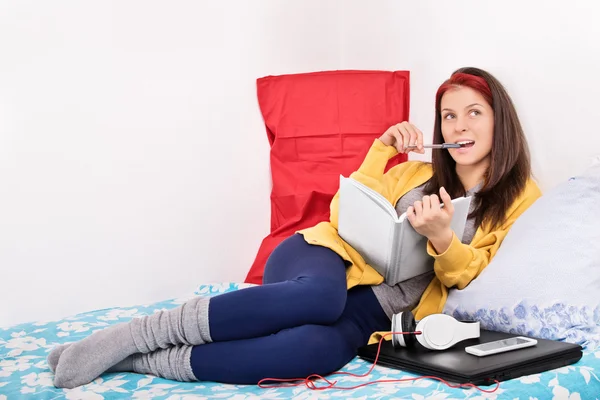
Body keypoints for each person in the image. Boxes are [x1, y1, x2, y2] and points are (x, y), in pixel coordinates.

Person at [48, 67, 542, 389]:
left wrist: (441, 238)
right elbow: (349, 210)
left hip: (374, 310)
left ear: (501, 121)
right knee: (318, 300)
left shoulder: (522, 198)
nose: (459, 127)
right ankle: (135, 333)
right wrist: (382, 148)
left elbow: (474, 274)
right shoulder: (415, 174)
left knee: (318, 349)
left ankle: (142, 359)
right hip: (320, 259)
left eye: (474, 113)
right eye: (449, 116)